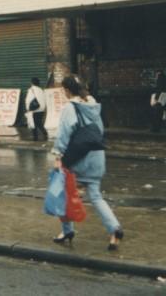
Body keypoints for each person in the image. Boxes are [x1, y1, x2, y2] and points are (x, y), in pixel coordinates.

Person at [51, 74, 124, 251]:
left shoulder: (70, 108)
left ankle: (67, 230)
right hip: (96, 157)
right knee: (96, 196)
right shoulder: (93, 104)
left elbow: (63, 134)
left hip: (78, 159)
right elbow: (98, 131)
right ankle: (114, 229)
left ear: (67, 91)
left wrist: (58, 156)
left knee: (63, 194)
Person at [25, 77, 47, 141]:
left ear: (32, 83)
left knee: (33, 123)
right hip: (42, 109)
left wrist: (27, 108)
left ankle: (35, 137)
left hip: (35, 109)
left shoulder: (31, 89)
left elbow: (28, 99)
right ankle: (44, 132)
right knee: (39, 122)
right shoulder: (41, 90)